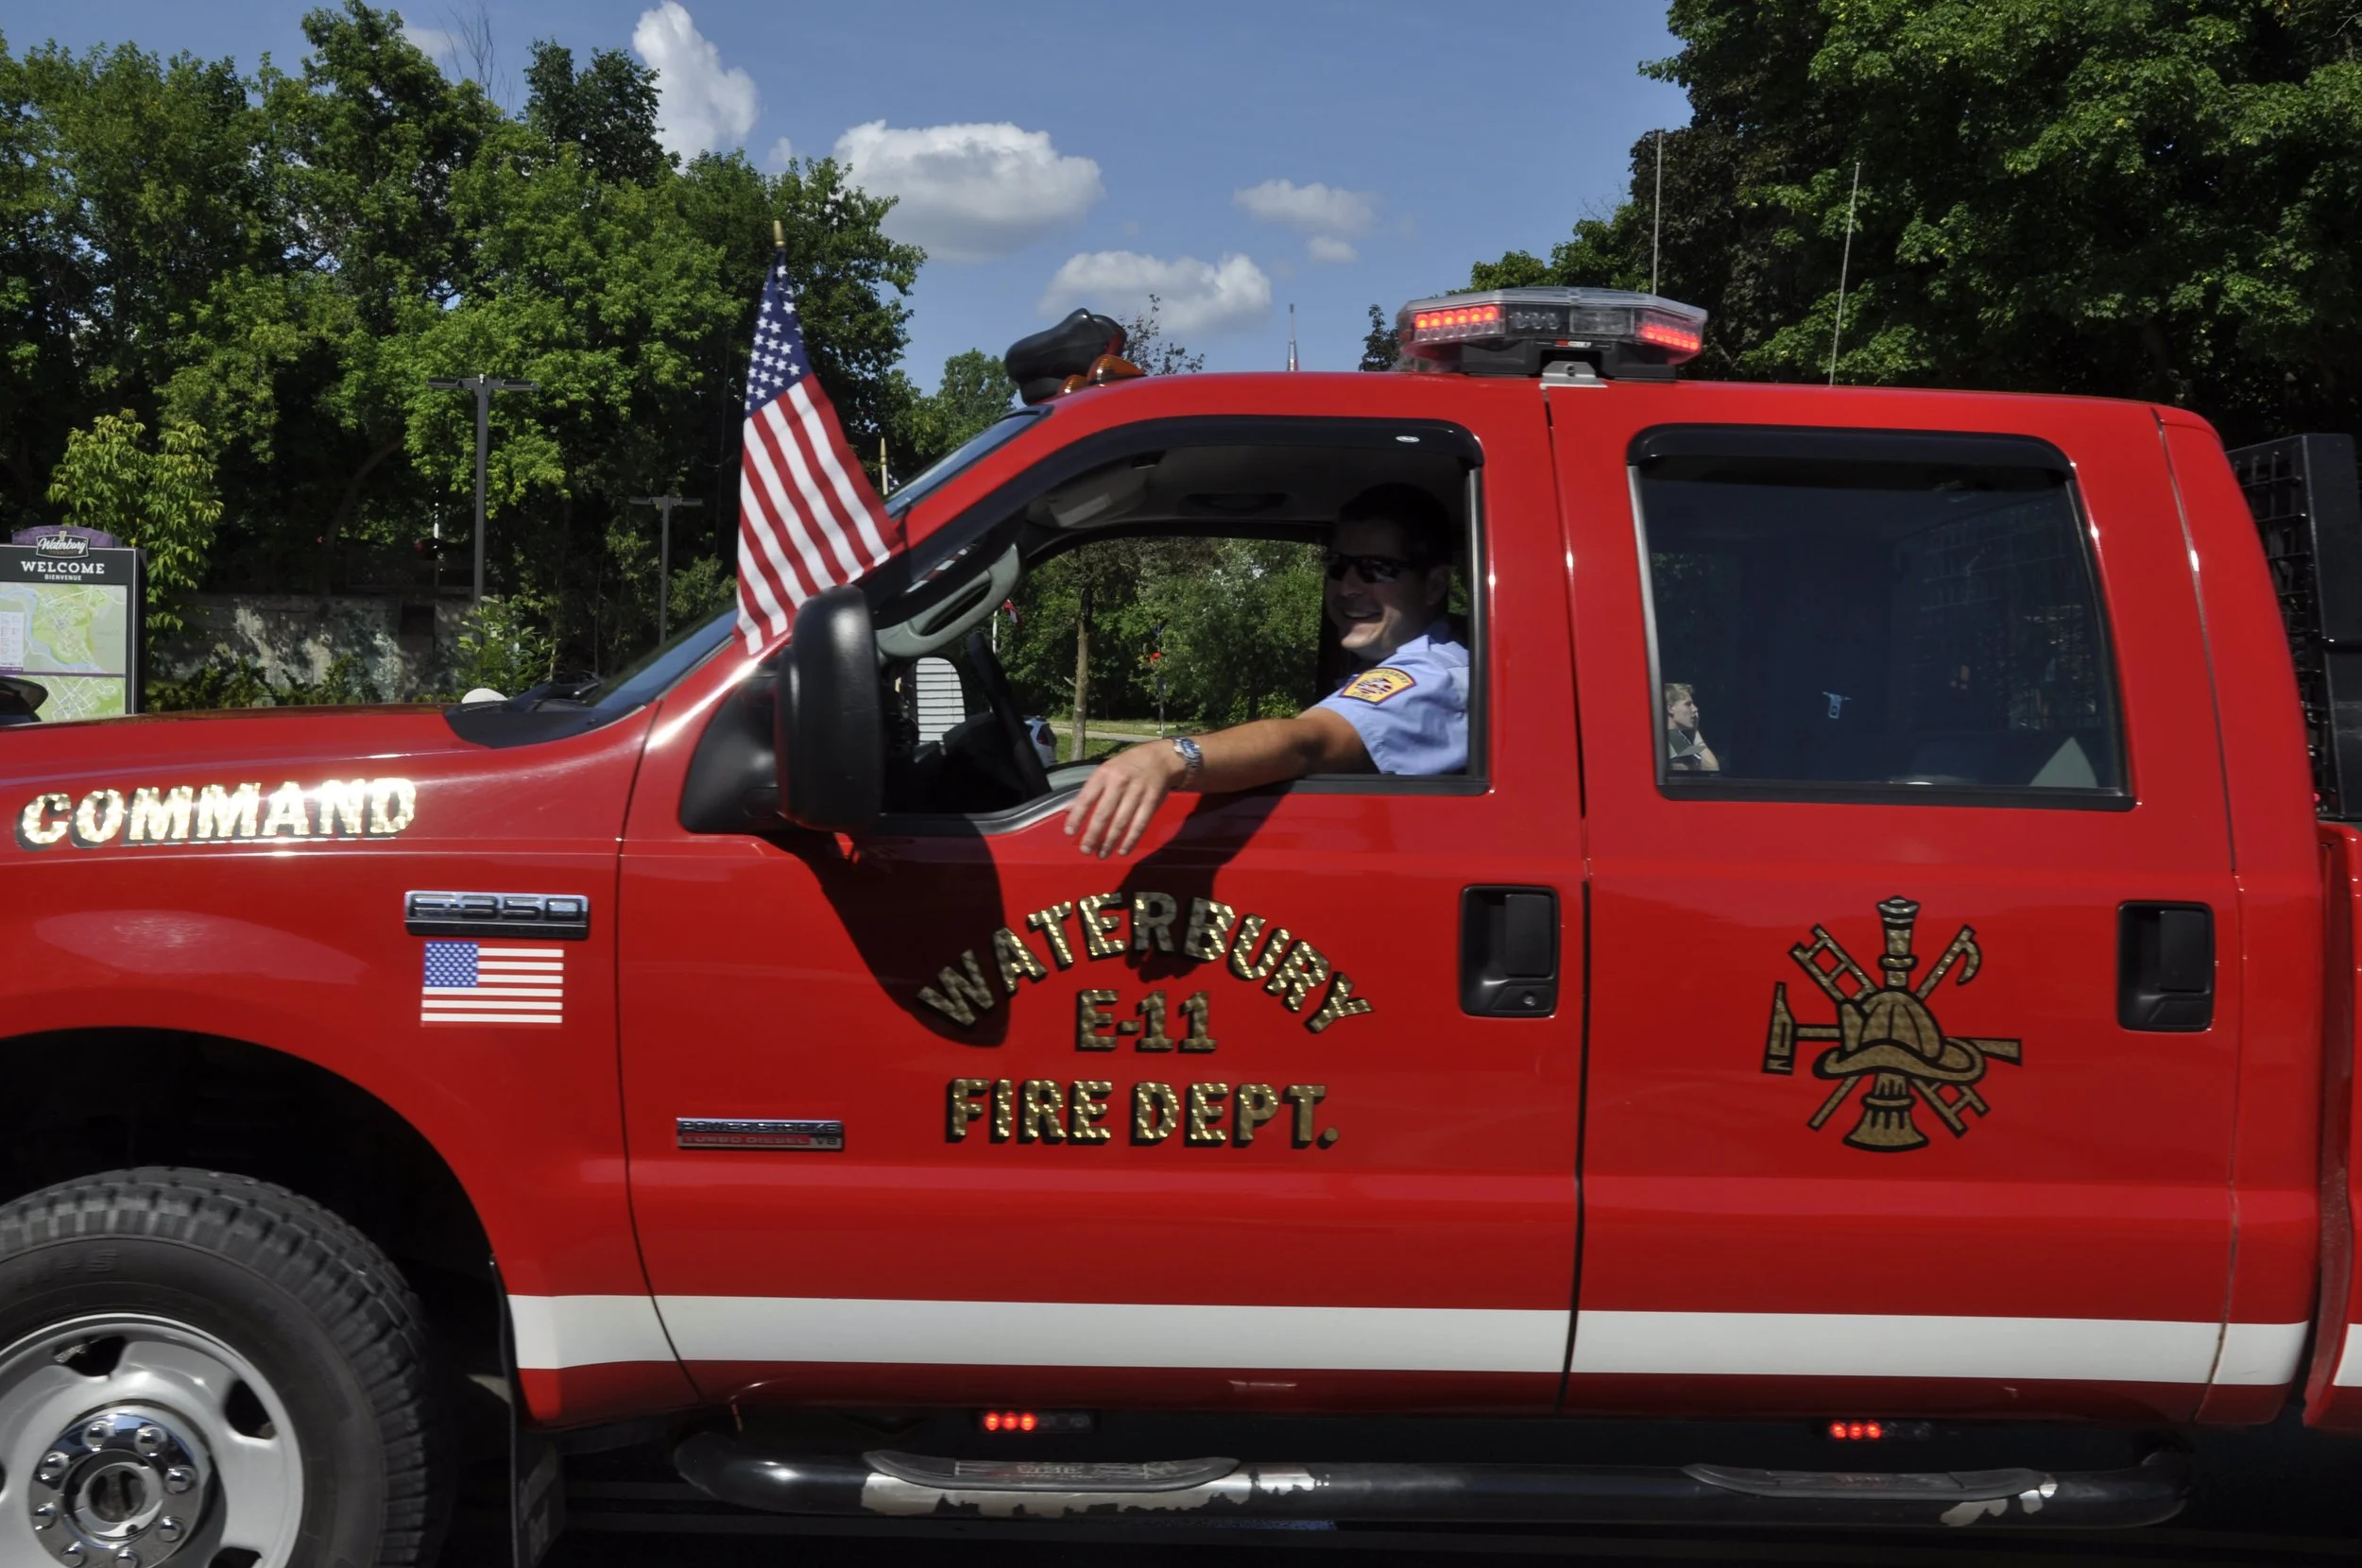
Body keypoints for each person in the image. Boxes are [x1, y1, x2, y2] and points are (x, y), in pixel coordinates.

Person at [1067, 483, 1467, 859]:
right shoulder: (1400, 666)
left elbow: (1308, 742)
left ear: (1434, 585)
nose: (1347, 587)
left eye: (1376, 568)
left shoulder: (1430, 678)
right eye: (1338, 565)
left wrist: (1169, 757)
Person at [1664, 682, 1720, 773]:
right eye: (1688, 704)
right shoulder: (1672, 739)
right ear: (1670, 708)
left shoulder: (1677, 736)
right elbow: (1712, 769)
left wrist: (1693, 731)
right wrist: (1695, 732)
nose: (1695, 709)